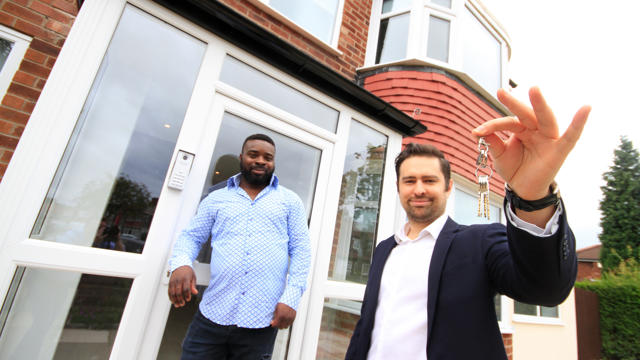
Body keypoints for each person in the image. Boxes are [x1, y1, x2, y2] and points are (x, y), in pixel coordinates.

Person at [345, 87, 591, 360]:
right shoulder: (383, 250)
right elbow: (366, 327)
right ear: (398, 187)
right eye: (410, 181)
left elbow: (546, 288)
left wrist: (531, 199)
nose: (419, 189)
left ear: (449, 187)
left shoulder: (478, 244)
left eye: (429, 180)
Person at [168, 133, 311, 360]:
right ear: (241, 157)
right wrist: (181, 264)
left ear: (273, 163)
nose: (261, 161)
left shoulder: (290, 201)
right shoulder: (215, 199)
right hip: (211, 317)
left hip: (261, 322)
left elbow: (301, 251)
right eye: (254, 154)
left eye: (268, 157)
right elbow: (191, 237)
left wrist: (291, 297)